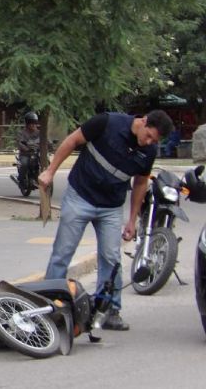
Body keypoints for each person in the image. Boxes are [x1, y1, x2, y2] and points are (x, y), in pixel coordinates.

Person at [40, 109, 174, 331]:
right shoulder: (107, 123)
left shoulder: (149, 151)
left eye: (154, 141)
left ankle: (109, 310)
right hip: (80, 196)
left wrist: (132, 220)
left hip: (111, 207)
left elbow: (140, 183)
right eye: (149, 136)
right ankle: (49, 305)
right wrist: (50, 172)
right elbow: (72, 140)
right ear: (143, 121)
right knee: (62, 253)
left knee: (111, 258)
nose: (149, 142)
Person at [12, 112, 41, 185]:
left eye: (35, 122)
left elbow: (46, 140)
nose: (33, 124)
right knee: (24, 164)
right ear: (27, 123)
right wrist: (26, 148)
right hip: (25, 154)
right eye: (31, 123)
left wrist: (51, 145)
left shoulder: (40, 133)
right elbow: (19, 142)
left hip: (37, 153)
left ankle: (37, 176)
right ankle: (21, 179)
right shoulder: (22, 133)